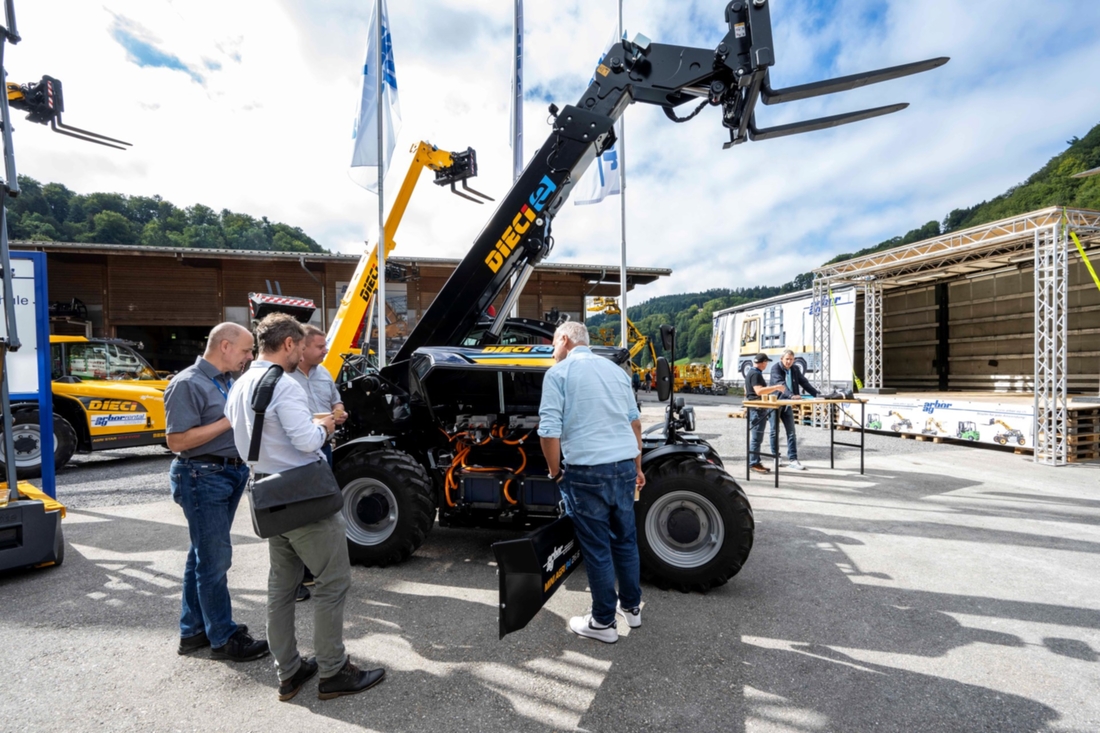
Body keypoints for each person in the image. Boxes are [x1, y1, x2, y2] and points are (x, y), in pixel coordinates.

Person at [225, 313, 385, 702]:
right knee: (332, 583)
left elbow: (252, 436)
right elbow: (307, 441)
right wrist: (327, 426)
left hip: (267, 493)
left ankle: (289, 671)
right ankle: (333, 670)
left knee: (281, 587)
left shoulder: (241, 383)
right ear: (288, 344)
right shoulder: (285, 384)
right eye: (299, 345)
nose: (301, 352)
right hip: (303, 496)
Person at [164, 322, 270, 662]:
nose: (249, 356)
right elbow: (177, 441)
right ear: (224, 346)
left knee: (202, 555)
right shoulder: (187, 383)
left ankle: (193, 631)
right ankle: (223, 638)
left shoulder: (226, 381)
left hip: (226, 472)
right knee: (214, 560)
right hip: (202, 474)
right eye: (245, 350)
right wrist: (229, 420)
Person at [538, 321, 645, 644]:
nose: (552, 350)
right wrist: (637, 467)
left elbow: (548, 431)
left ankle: (602, 623)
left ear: (565, 340)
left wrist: (556, 473)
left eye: (553, 343)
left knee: (597, 548)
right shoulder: (615, 371)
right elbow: (635, 422)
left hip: (586, 472)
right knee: (625, 540)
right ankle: (632, 608)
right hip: (624, 466)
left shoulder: (558, 374)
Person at [286, 325, 349, 602]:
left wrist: (339, 412)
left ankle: (312, 570)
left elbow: (337, 401)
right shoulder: (285, 377)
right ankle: (295, 579)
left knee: (319, 508)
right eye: (319, 346)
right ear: (301, 348)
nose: (325, 350)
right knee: (297, 513)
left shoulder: (324, 373)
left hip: (323, 447)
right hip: (297, 451)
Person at [768, 349, 820, 471]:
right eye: (787, 359)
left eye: (791, 359)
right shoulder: (776, 368)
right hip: (776, 403)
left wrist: (817, 394)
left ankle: (793, 459)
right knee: (774, 431)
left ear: (794, 360)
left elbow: (804, 383)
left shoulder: (795, 369)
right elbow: (782, 386)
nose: (789, 362)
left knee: (791, 432)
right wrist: (791, 396)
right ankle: (776, 456)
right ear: (782, 359)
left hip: (788, 404)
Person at [745, 353, 785, 474]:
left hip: (755, 407)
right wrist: (776, 387)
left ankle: (755, 461)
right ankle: (753, 463)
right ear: (762, 362)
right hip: (757, 408)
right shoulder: (756, 374)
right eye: (766, 362)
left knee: (757, 438)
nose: (766, 365)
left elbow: (746, 389)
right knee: (756, 438)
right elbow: (758, 391)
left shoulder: (751, 372)